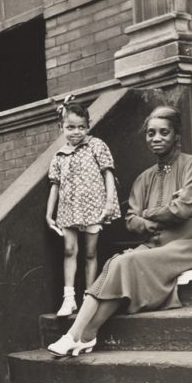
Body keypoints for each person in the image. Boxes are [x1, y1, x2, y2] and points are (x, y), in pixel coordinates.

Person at [48, 106, 192, 357]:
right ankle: (84, 336)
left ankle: (75, 334)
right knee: (117, 262)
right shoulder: (143, 178)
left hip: (186, 243)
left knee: (127, 261)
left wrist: (148, 214)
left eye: (163, 132)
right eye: (150, 133)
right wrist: (155, 216)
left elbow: (181, 210)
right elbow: (131, 221)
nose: (156, 138)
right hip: (154, 245)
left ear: (176, 135)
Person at [45, 96, 120, 317]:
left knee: (90, 252)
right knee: (69, 250)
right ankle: (69, 298)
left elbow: (108, 173)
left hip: (93, 207)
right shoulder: (59, 156)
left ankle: (90, 296)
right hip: (68, 209)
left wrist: (108, 202)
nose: (76, 132)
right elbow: (55, 186)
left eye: (81, 127)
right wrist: (49, 214)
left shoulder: (96, 146)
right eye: (70, 127)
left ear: (88, 126)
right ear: (61, 128)